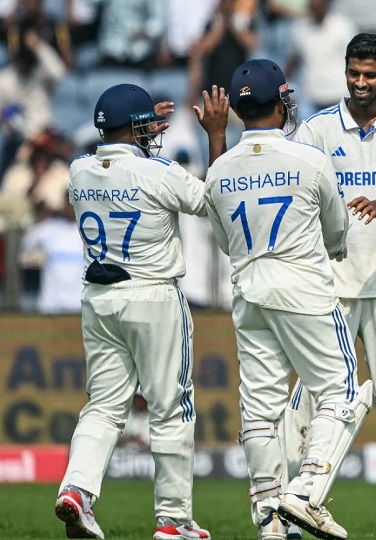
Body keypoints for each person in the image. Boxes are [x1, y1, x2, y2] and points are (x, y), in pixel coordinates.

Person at [203, 58, 373, 540]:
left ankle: (269, 517)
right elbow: (337, 234)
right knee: (341, 391)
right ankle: (306, 491)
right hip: (303, 289)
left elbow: (222, 241)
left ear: (238, 112)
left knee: (260, 409)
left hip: (249, 291)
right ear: (280, 104)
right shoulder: (310, 159)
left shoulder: (218, 173)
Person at [54, 83, 229, 540]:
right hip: (153, 295)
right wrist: (215, 134)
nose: (154, 133)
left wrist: (138, 120)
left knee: (103, 408)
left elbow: (120, 155)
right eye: (147, 126)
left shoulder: (78, 172)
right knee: (170, 410)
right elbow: (214, 201)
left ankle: (76, 491)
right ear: (134, 128)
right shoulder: (160, 172)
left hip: (99, 299)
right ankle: (173, 520)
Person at [284, 33, 376, 540]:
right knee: (310, 403)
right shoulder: (318, 128)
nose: (360, 83)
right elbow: (292, 187)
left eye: (370, 75)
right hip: (330, 289)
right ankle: (296, 505)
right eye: (353, 73)